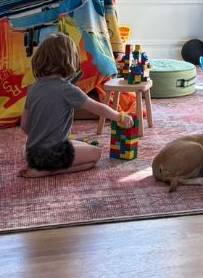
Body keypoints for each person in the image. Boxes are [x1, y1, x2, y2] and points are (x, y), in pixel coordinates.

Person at [18, 33, 134, 178]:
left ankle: (40, 165)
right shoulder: (67, 89)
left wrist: (42, 136)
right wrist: (119, 116)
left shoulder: (33, 88)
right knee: (95, 154)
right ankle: (49, 170)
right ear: (69, 60)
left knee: (80, 145)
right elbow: (97, 107)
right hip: (53, 155)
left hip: (31, 153)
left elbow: (24, 125)